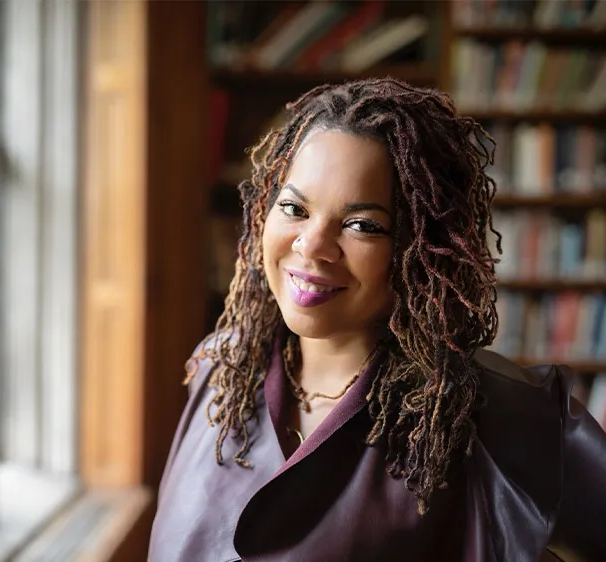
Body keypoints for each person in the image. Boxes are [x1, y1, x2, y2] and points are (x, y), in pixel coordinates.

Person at [148, 78, 606, 562]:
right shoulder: (219, 371)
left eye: (361, 225)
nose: (313, 246)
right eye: (294, 208)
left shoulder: (504, 419)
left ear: (422, 248)